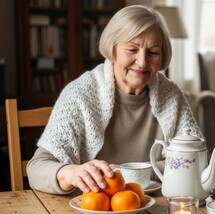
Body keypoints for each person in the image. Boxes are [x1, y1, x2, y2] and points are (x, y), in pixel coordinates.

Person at [27, 5, 203, 195]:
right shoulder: (79, 95)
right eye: (132, 49)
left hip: (157, 213)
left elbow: (198, 160)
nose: (142, 62)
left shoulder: (172, 96)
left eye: (152, 52)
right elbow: (37, 168)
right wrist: (69, 172)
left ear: (162, 57)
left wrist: (129, 172)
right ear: (113, 49)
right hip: (92, 212)